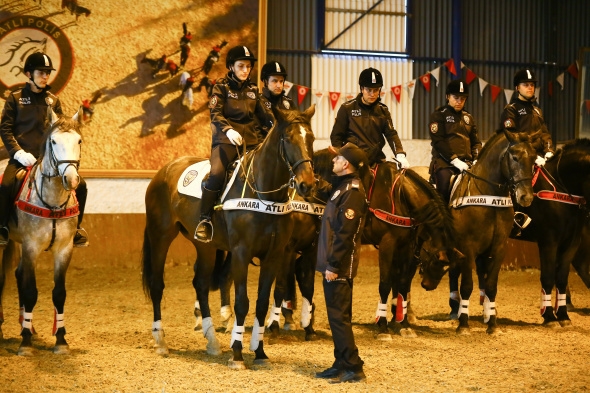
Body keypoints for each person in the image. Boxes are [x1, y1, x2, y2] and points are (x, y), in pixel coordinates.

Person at [0, 52, 88, 247]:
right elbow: (5, 129)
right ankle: (2, 227)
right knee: (5, 185)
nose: (45, 77)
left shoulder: (53, 101)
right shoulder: (15, 99)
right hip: (21, 157)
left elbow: (61, 131)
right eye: (41, 72)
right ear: (29, 74)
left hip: (47, 160)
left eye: (47, 73)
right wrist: (18, 153)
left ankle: (76, 229)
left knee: (81, 186)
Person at [194, 45, 273, 242]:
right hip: (226, 142)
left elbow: (266, 118)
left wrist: (280, 126)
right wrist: (228, 130)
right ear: (231, 66)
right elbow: (215, 113)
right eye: (241, 66)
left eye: (248, 66)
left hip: (252, 144)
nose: (245, 70)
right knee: (217, 175)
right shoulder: (220, 87)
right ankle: (205, 220)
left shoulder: (254, 90)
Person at [314, 142, 368, 384]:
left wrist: (333, 266)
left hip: (340, 266)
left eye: (336, 159)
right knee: (337, 316)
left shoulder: (353, 192)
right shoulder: (343, 187)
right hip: (333, 264)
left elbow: (345, 235)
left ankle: (353, 367)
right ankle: (340, 362)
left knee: (339, 317)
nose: (333, 161)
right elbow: (329, 194)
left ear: (345, 164)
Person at [428, 79, 482, 319]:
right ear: (448, 97)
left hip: (468, 164)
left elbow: (477, 141)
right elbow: (438, 142)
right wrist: (453, 160)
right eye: (455, 97)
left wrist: (477, 156)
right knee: (444, 185)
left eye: (462, 97)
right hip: (445, 164)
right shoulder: (439, 115)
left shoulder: (469, 119)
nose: (459, 100)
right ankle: (440, 225)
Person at [500, 68, 555, 236]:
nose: (530, 88)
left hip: (539, 158)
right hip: (521, 157)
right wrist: (533, 155)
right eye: (526, 85)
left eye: (532, 85)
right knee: (521, 181)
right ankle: (516, 218)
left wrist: (549, 151)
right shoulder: (511, 109)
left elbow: (545, 133)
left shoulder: (537, 110)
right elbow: (513, 136)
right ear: (517, 88)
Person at [330, 67, 409, 169]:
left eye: (376, 90)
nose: (372, 94)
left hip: (376, 160)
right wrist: (341, 157)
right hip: (352, 162)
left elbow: (391, 134)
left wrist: (400, 154)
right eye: (369, 90)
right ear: (362, 89)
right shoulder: (347, 108)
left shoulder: (383, 110)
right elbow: (336, 137)